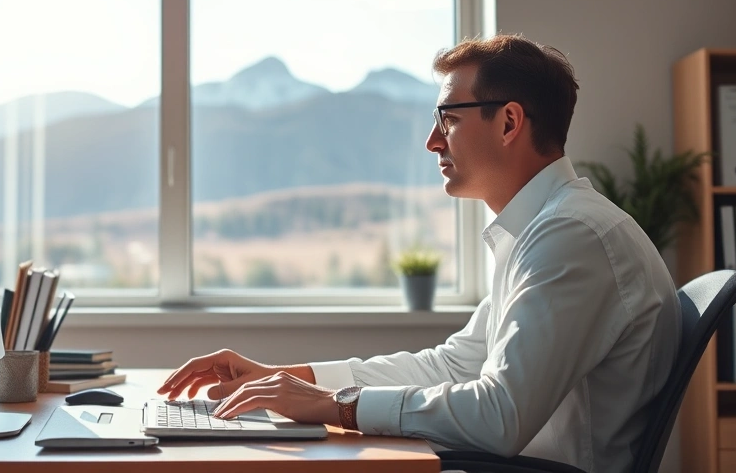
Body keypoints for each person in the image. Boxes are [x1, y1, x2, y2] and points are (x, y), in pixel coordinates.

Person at [156, 34, 681, 473]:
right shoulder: (545, 230)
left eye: (448, 118)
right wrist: (292, 379)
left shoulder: (572, 236)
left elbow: (499, 416)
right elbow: (454, 364)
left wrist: (337, 405)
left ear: (508, 123)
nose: (433, 141)